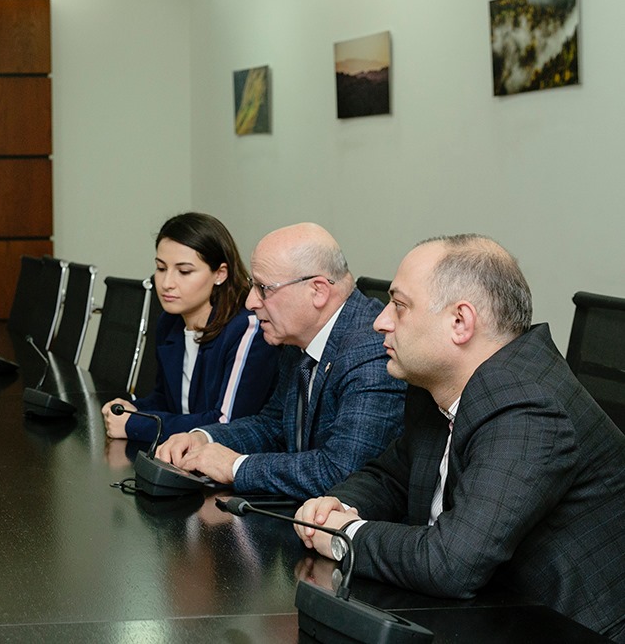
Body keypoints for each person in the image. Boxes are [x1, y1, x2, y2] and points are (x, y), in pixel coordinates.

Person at [294, 235, 625, 640]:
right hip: (478, 612)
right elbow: (391, 476)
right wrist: (337, 507)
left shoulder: (528, 407)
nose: (380, 321)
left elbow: (451, 563)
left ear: (460, 323)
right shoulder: (438, 384)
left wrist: (345, 535)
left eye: (399, 306)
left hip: (564, 628)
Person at [155, 222, 405, 499]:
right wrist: (203, 438)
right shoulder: (297, 337)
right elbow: (273, 425)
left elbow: (342, 472)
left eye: (263, 288)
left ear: (318, 291)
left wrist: (236, 467)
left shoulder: (371, 350)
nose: (250, 302)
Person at [102, 212, 279, 443]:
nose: (167, 283)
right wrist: (130, 410)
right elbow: (166, 400)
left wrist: (136, 424)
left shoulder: (248, 328)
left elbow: (225, 423)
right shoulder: (169, 322)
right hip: (180, 454)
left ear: (220, 274)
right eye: (161, 268)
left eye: (184, 271)